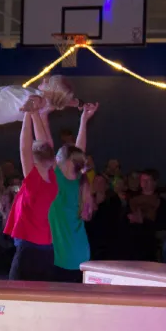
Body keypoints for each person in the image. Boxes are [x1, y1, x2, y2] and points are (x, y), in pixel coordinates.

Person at [4, 107, 59, 281]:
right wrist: (35, 114)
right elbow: (45, 145)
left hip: (29, 248)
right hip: (48, 248)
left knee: (16, 292)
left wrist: (28, 114)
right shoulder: (53, 178)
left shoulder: (34, 181)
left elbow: (24, 148)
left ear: (33, 160)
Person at [47, 104, 98, 282]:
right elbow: (79, 152)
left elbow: (45, 141)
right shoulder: (78, 181)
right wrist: (83, 120)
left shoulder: (57, 180)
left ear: (63, 161)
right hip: (81, 255)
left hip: (61, 258)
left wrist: (40, 116)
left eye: (57, 156)